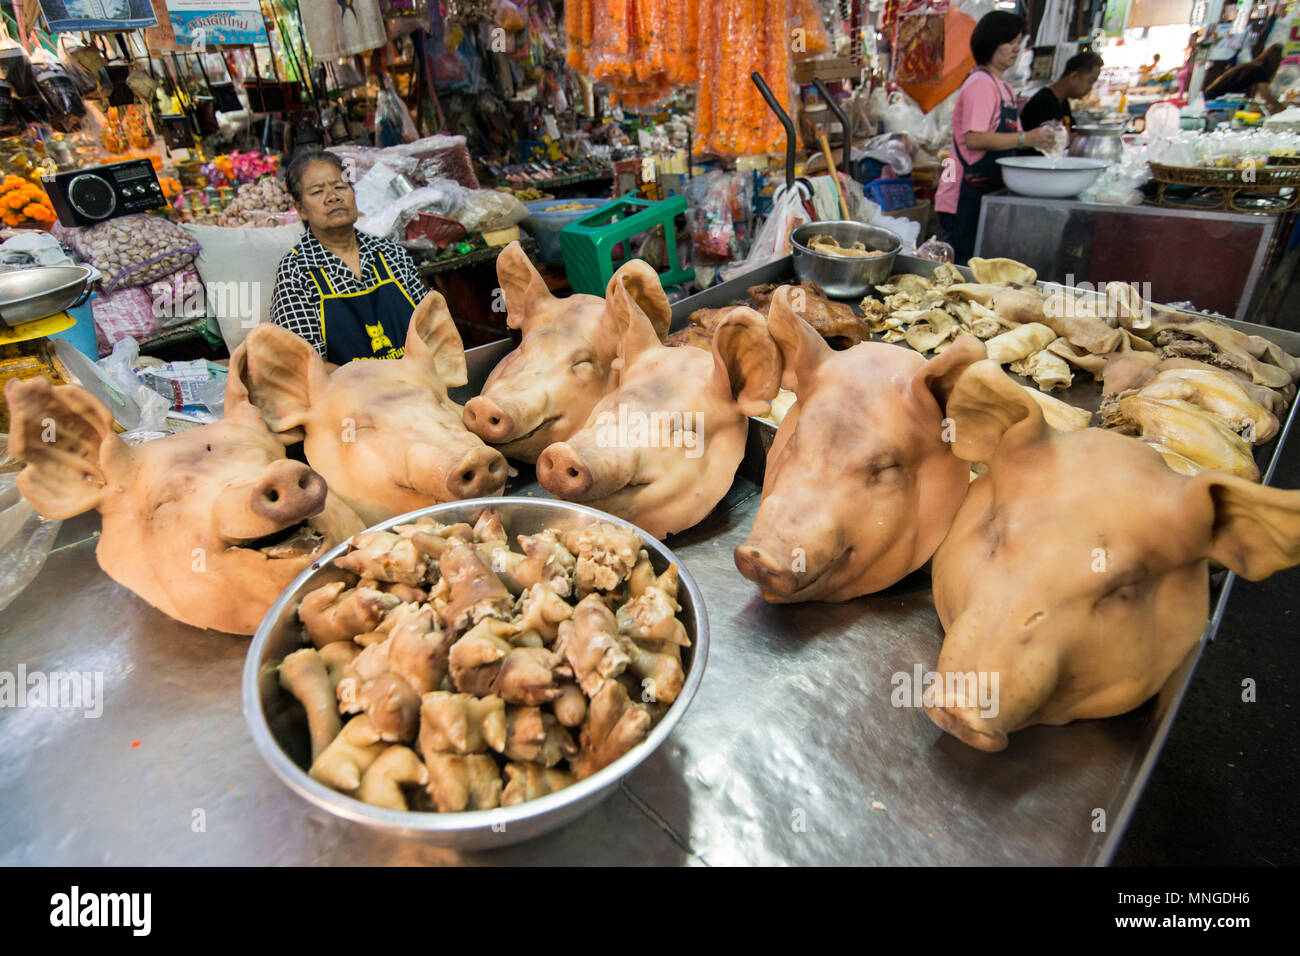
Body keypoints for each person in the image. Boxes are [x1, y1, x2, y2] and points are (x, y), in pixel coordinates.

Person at [270, 148, 429, 365]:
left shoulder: (391, 254)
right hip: (346, 394)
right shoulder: (297, 272)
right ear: (301, 209)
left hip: (416, 383)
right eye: (317, 192)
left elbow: (429, 332)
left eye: (340, 186)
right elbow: (306, 367)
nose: (333, 197)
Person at [936, 11, 1057, 266]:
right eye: (1010, 42)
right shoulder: (980, 84)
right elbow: (975, 139)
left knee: (981, 265)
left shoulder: (1004, 87)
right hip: (964, 193)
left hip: (986, 191)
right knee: (962, 265)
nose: (1016, 49)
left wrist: (1040, 137)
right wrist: (1026, 138)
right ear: (991, 43)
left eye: (1019, 42)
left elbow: (1012, 136)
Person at [1020, 51, 1104, 132]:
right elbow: (1051, 142)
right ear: (1074, 76)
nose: (1090, 88)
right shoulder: (1043, 102)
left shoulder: (1063, 102)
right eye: (1090, 81)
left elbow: (1071, 132)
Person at [1204, 43, 1285, 114]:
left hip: (1214, 97)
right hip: (1215, 100)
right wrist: (1281, 108)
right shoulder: (1260, 69)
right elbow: (1266, 95)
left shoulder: (1255, 66)